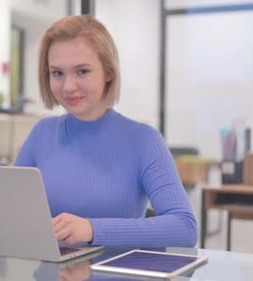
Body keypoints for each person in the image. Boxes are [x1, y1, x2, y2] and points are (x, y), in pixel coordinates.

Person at [14, 15, 197, 248]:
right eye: (57, 73)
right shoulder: (42, 133)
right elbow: (10, 212)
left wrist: (92, 229)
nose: (68, 86)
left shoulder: (143, 140)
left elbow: (184, 228)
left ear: (108, 72)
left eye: (82, 71)